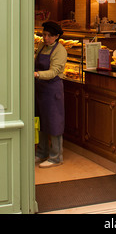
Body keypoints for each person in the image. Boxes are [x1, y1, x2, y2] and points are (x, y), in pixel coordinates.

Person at [34, 21, 67, 168]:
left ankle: (56, 156)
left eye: (49, 36)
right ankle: (41, 152)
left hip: (53, 90)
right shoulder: (41, 47)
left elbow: (53, 72)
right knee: (41, 121)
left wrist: (36, 74)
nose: (45, 38)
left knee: (54, 122)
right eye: (44, 35)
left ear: (56, 36)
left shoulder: (60, 51)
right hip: (40, 88)